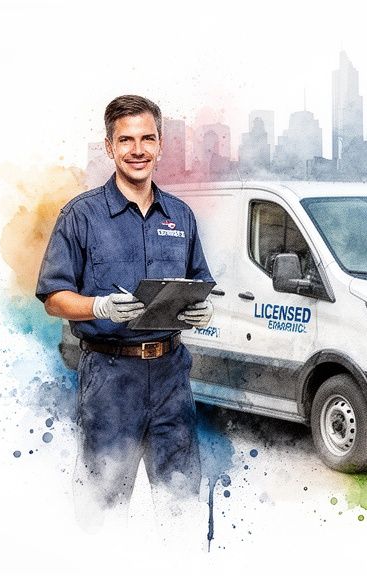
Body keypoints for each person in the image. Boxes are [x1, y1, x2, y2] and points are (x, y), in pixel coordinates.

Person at [35, 95, 213, 519]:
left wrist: (201, 311)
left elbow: (198, 282)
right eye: (126, 140)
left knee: (181, 504)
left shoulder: (181, 216)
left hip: (172, 378)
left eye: (147, 138)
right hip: (110, 379)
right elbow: (54, 298)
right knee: (103, 505)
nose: (138, 150)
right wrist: (99, 307)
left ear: (160, 144)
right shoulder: (81, 216)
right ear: (109, 147)